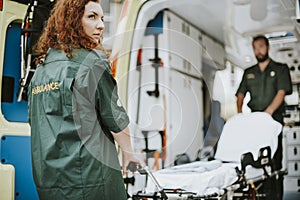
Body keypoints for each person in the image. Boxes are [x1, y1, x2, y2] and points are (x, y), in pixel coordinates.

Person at [28, 0, 140, 199]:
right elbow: (116, 120)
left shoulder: (40, 73)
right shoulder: (91, 64)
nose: (101, 25)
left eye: (102, 19)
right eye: (92, 17)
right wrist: (129, 154)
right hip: (92, 183)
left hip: (50, 185)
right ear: (71, 20)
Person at [236, 35, 292, 200]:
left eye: (260, 46)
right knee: (256, 160)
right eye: (255, 47)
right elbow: (240, 95)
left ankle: (276, 196)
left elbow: (281, 92)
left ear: (267, 47)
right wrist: (239, 116)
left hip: (273, 121)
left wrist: (268, 113)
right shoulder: (249, 73)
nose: (258, 50)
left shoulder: (280, 69)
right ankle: (260, 195)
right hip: (255, 123)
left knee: (274, 160)